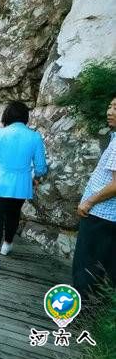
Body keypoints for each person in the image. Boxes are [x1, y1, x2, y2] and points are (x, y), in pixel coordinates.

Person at [0, 101, 47, 270]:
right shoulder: (35, 136)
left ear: (7, 115)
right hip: (21, 185)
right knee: (13, 215)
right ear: (25, 117)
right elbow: (40, 167)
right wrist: (36, 177)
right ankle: (7, 245)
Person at [72, 97, 116, 298]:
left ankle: (82, 316)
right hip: (108, 217)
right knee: (104, 268)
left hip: (101, 216)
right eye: (110, 106)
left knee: (87, 267)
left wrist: (89, 202)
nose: (110, 111)